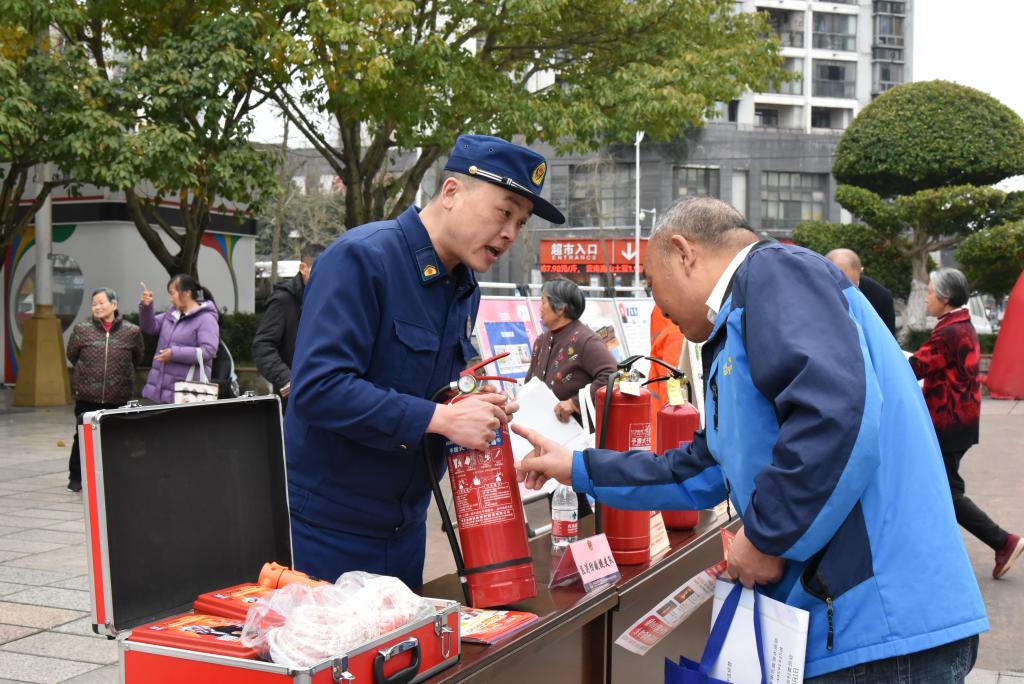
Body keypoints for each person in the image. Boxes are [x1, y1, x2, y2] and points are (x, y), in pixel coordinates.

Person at [514, 196, 987, 681]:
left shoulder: (776, 273)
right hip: (850, 626)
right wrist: (577, 466)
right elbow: (703, 465)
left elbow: (835, 415)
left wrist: (764, 536)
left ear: (684, 252)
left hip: (878, 625)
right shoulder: (737, 318)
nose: (656, 305)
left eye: (652, 283)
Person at [285, 134, 564, 588]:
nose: (512, 233)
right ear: (452, 193)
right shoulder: (363, 259)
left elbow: (431, 385)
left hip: (407, 528)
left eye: (522, 221)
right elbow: (318, 389)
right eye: (504, 211)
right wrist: (440, 418)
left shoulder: (463, 289)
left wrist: (472, 400)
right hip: (328, 533)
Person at [911, 267, 1023, 579]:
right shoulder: (958, 324)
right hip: (959, 422)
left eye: (931, 292)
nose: (927, 298)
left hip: (948, 423)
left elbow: (915, 366)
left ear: (945, 298)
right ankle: (940, 550)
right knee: (942, 489)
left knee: (945, 491)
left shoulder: (948, 332)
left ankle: (1003, 541)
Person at [65, 288, 144, 492]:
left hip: (118, 395)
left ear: (114, 305)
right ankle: (76, 477)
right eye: (94, 304)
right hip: (87, 395)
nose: (97, 307)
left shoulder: (131, 331)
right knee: (81, 436)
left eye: (101, 302)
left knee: (117, 437)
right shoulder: (82, 329)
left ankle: (115, 476)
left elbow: (137, 358)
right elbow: (72, 355)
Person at [525, 277, 616, 425]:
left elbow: (612, 375)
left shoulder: (586, 341)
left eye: (543, 302)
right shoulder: (542, 340)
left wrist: (575, 403)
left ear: (560, 309)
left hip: (575, 433)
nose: (540, 308)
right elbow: (530, 381)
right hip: (543, 429)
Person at [252, 243, 326, 408]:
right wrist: (286, 379)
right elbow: (262, 346)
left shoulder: (326, 299)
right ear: (303, 268)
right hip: (294, 403)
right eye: (319, 271)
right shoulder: (282, 300)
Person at [139, 274, 220, 404]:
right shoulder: (171, 314)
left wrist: (174, 354)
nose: (171, 299)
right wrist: (146, 307)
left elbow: (209, 351)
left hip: (185, 395)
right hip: (157, 393)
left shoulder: (206, 319)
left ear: (187, 293)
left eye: (172, 293)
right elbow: (149, 327)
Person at [826, 248, 896, 335]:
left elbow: (888, 339)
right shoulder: (812, 290)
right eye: (837, 283)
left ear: (861, 271)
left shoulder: (880, 297)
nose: (844, 290)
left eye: (850, 284)